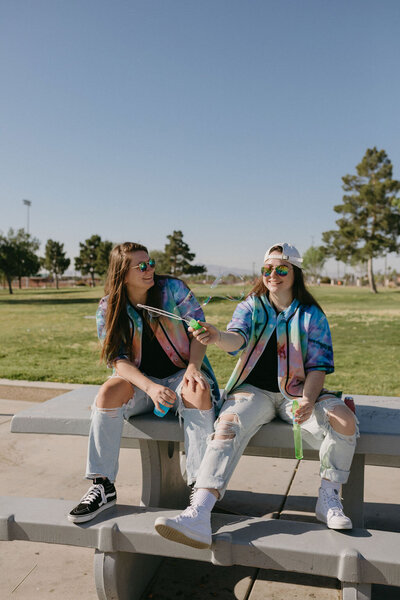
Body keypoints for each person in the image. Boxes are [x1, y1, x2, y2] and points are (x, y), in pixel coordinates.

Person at [155, 242, 358, 549]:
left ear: (295, 273)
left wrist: (307, 400)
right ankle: (198, 513)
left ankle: (328, 498)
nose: (272, 274)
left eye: (281, 269)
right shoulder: (251, 306)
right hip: (252, 392)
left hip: (298, 393)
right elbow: (236, 338)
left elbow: (318, 366)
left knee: (344, 421)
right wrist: (215, 336)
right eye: (267, 269)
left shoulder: (312, 315)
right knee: (226, 427)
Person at [68, 242, 219, 523]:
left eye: (150, 263)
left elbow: (200, 333)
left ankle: (200, 492)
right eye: (141, 266)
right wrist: (149, 387)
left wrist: (193, 368)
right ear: (122, 273)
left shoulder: (173, 290)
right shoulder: (109, 307)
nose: (149, 270)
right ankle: (102, 486)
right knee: (108, 392)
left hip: (179, 374)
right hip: (140, 382)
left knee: (197, 388)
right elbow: (117, 360)